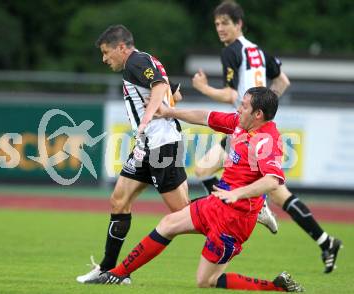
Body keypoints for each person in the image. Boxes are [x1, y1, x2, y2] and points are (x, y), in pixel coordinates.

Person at [87, 87, 304, 292]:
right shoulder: (241, 123)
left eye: (244, 106)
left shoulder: (266, 140)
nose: (239, 109)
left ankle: (277, 286)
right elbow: (205, 117)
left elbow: (274, 180)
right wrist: (168, 111)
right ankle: (117, 274)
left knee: (206, 281)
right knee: (168, 224)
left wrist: (238, 193)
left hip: (235, 219)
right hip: (217, 203)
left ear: (258, 114)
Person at [192, 0, 341, 273]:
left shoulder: (231, 52)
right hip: (258, 126)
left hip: (246, 129)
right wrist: (267, 111)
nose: (220, 28)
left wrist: (202, 87)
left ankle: (246, 207)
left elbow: (229, 95)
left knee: (206, 169)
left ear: (238, 24)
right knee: (277, 192)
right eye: (217, 24)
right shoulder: (258, 51)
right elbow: (282, 82)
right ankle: (325, 241)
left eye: (225, 23)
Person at [76, 24, 190, 284]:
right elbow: (176, 94)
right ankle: (108, 269)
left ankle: (236, 210)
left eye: (106, 53)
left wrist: (146, 117)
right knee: (119, 200)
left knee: (184, 214)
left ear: (121, 47)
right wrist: (160, 104)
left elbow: (160, 87)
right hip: (147, 146)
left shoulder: (135, 61)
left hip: (162, 144)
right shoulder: (145, 61)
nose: (105, 59)